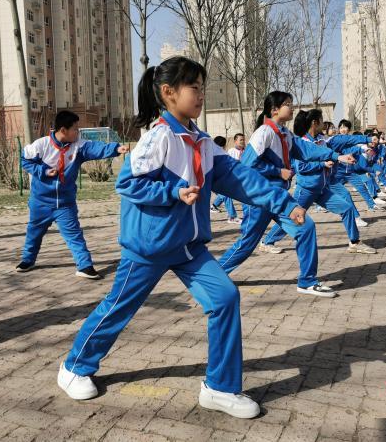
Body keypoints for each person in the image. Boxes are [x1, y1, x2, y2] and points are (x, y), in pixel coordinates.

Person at [58, 57, 308, 419]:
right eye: (195, 87)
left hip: (189, 247)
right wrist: (172, 191)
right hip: (150, 247)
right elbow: (127, 183)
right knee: (119, 307)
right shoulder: (158, 136)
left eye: (202, 87)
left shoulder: (203, 142)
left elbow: (238, 177)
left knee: (224, 297)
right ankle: (74, 366)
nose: (201, 94)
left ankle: (219, 388)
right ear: (168, 93)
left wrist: (284, 202)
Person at [218, 92, 359, 297]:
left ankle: (307, 281)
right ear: (274, 109)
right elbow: (246, 165)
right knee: (247, 242)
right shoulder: (264, 132)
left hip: (280, 198)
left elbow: (308, 150)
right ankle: (216, 275)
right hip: (260, 198)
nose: (292, 108)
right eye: (287, 104)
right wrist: (277, 171)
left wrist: (337, 156)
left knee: (306, 228)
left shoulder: (285, 134)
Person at [16, 110, 128, 278]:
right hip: (40, 202)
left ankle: (84, 266)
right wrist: (43, 171)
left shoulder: (78, 146)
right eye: (75, 129)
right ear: (63, 130)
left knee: (74, 235)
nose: (78, 132)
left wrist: (116, 149)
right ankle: (28, 260)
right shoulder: (41, 145)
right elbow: (24, 160)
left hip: (65, 203)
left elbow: (95, 148)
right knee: (34, 232)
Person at [291, 109, 376, 254]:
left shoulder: (323, 141)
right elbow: (301, 167)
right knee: (291, 218)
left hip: (322, 189)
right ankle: (267, 241)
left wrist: (367, 139)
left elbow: (346, 140)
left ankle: (354, 242)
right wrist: (322, 165)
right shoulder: (302, 143)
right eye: (322, 120)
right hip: (306, 189)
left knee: (347, 208)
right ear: (314, 122)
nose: (324, 123)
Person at [210, 135, 242, 224]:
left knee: (225, 196)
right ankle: (232, 217)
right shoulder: (221, 153)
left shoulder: (210, 152)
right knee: (226, 195)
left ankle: (214, 206)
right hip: (213, 180)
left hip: (212, 180)